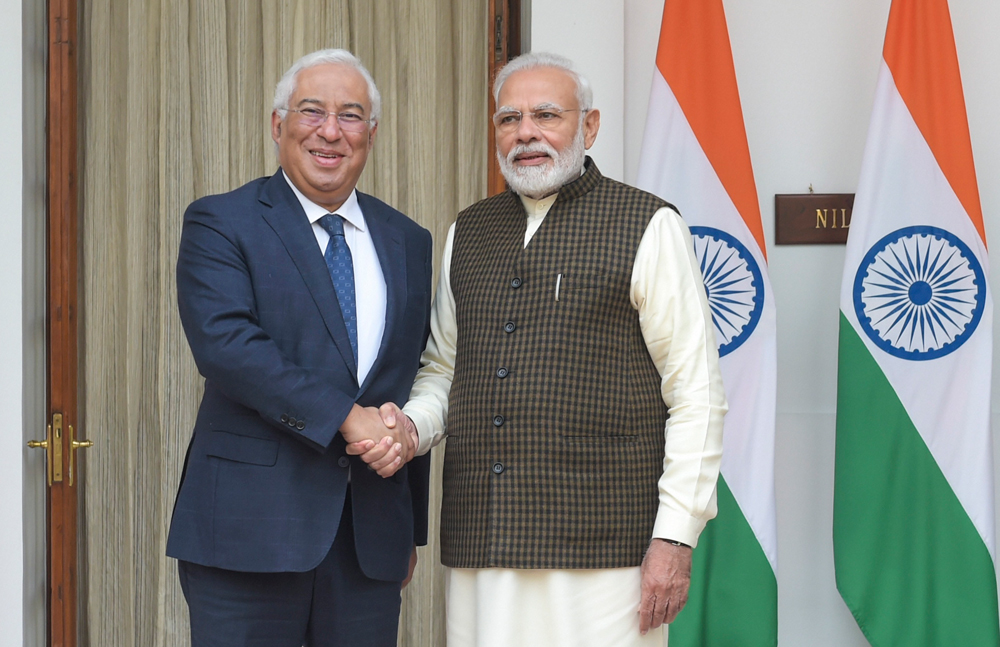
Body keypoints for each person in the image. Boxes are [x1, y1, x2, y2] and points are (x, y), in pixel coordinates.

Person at [354, 52, 726, 646]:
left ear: (590, 126)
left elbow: (697, 394)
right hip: (485, 538)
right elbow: (445, 371)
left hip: (606, 546)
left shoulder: (647, 224)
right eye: (509, 118)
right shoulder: (468, 231)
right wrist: (409, 431)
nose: (526, 132)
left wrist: (675, 538)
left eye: (546, 115)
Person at [166, 48, 432, 647]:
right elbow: (228, 347)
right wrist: (344, 416)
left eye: (351, 115)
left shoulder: (409, 240)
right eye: (312, 111)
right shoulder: (221, 222)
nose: (330, 131)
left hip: (369, 544)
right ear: (278, 124)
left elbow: (407, 377)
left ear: (372, 132)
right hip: (247, 536)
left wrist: (406, 531)